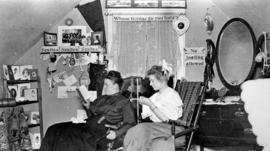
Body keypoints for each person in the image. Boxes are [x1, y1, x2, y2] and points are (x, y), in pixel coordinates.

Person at [40, 71, 136, 151]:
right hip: (87, 126)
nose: (104, 87)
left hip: (98, 132)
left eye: (107, 85)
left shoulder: (124, 101)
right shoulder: (102, 99)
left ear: (116, 86)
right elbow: (92, 116)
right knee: (54, 129)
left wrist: (116, 133)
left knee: (67, 137)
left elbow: (131, 123)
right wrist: (87, 107)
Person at [124, 65, 184, 151]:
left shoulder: (172, 95)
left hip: (174, 131)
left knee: (141, 129)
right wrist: (142, 103)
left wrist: (150, 104)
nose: (150, 84)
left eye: (152, 81)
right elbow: (150, 112)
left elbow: (166, 119)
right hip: (160, 129)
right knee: (132, 131)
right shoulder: (156, 96)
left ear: (162, 80)